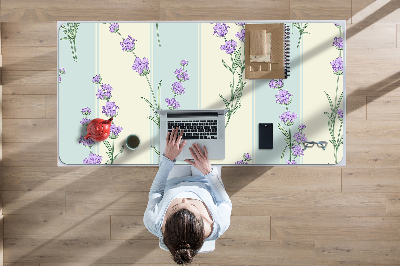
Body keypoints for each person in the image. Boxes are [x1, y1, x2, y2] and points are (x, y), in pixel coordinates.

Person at [143, 127, 232, 264]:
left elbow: (156, 192)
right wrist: (208, 171)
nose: (184, 198)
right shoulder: (219, 224)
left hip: (174, 181)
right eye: (192, 205)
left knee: (174, 141)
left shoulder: (153, 222)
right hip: (205, 180)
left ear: (166, 224)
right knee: (209, 136)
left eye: (176, 206)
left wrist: (167, 160)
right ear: (203, 223)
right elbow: (224, 202)